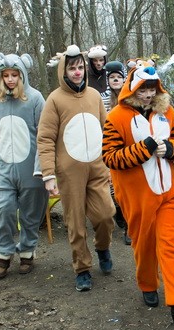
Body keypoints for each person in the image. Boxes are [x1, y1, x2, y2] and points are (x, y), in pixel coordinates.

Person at [102, 64, 174, 326]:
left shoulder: (166, 111)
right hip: (136, 198)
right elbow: (110, 158)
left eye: (151, 88)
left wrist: (170, 148)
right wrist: (142, 149)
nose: (147, 94)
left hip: (168, 193)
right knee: (144, 246)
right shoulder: (116, 117)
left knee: (173, 244)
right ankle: (147, 283)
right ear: (132, 88)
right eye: (143, 89)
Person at [37, 45, 115, 292]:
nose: (77, 72)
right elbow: (45, 138)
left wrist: (113, 162)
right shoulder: (54, 99)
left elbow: (107, 130)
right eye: (72, 68)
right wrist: (48, 174)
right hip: (69, 173)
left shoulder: (93, 96)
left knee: (105, 214)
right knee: (75, 222)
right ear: (64, 71)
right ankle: (82, 268)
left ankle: (103, 248)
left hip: (97, 167)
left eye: (80, 67)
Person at [0, 52, 48, 279]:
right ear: (0, 76)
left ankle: (27, 251)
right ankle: (3, 254)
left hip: (30, 171)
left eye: (14, 74)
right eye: (5, 75)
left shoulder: (35, 99)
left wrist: (40, 167)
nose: (10, 79)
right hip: (4, 169)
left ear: (22, 74)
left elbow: (44, 136)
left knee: (30, 214)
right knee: (3, 210)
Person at [100, 60, 131, 245]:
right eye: (112, 78)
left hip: (128, 148)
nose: (115, 80)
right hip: (109, 148)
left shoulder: (130, 98)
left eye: (118, 77)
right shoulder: (102, 99)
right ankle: (119, 213)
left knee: (127, 189)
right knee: (113, 190)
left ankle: (129, 226)